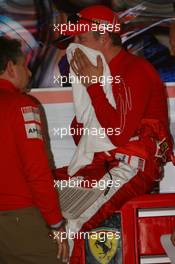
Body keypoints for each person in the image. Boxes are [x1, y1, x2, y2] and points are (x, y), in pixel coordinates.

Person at [55, 5, 174, 263]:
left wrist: (94, 88)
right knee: (46, 197)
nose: (75, 47)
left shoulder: (135, 70)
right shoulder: (95, 73)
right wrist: (89, 93)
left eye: (81, 39)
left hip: (134, 166)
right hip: (103, 164)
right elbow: (82, 136)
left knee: (73, 223)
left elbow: (118, 134)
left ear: (104, 37)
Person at [0, 36, 69, 264]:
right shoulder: (23, 106)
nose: (29, 73)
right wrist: (56, 223)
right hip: (19, 217)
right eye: (25, 65)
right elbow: (37, 171)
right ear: (10, 67)